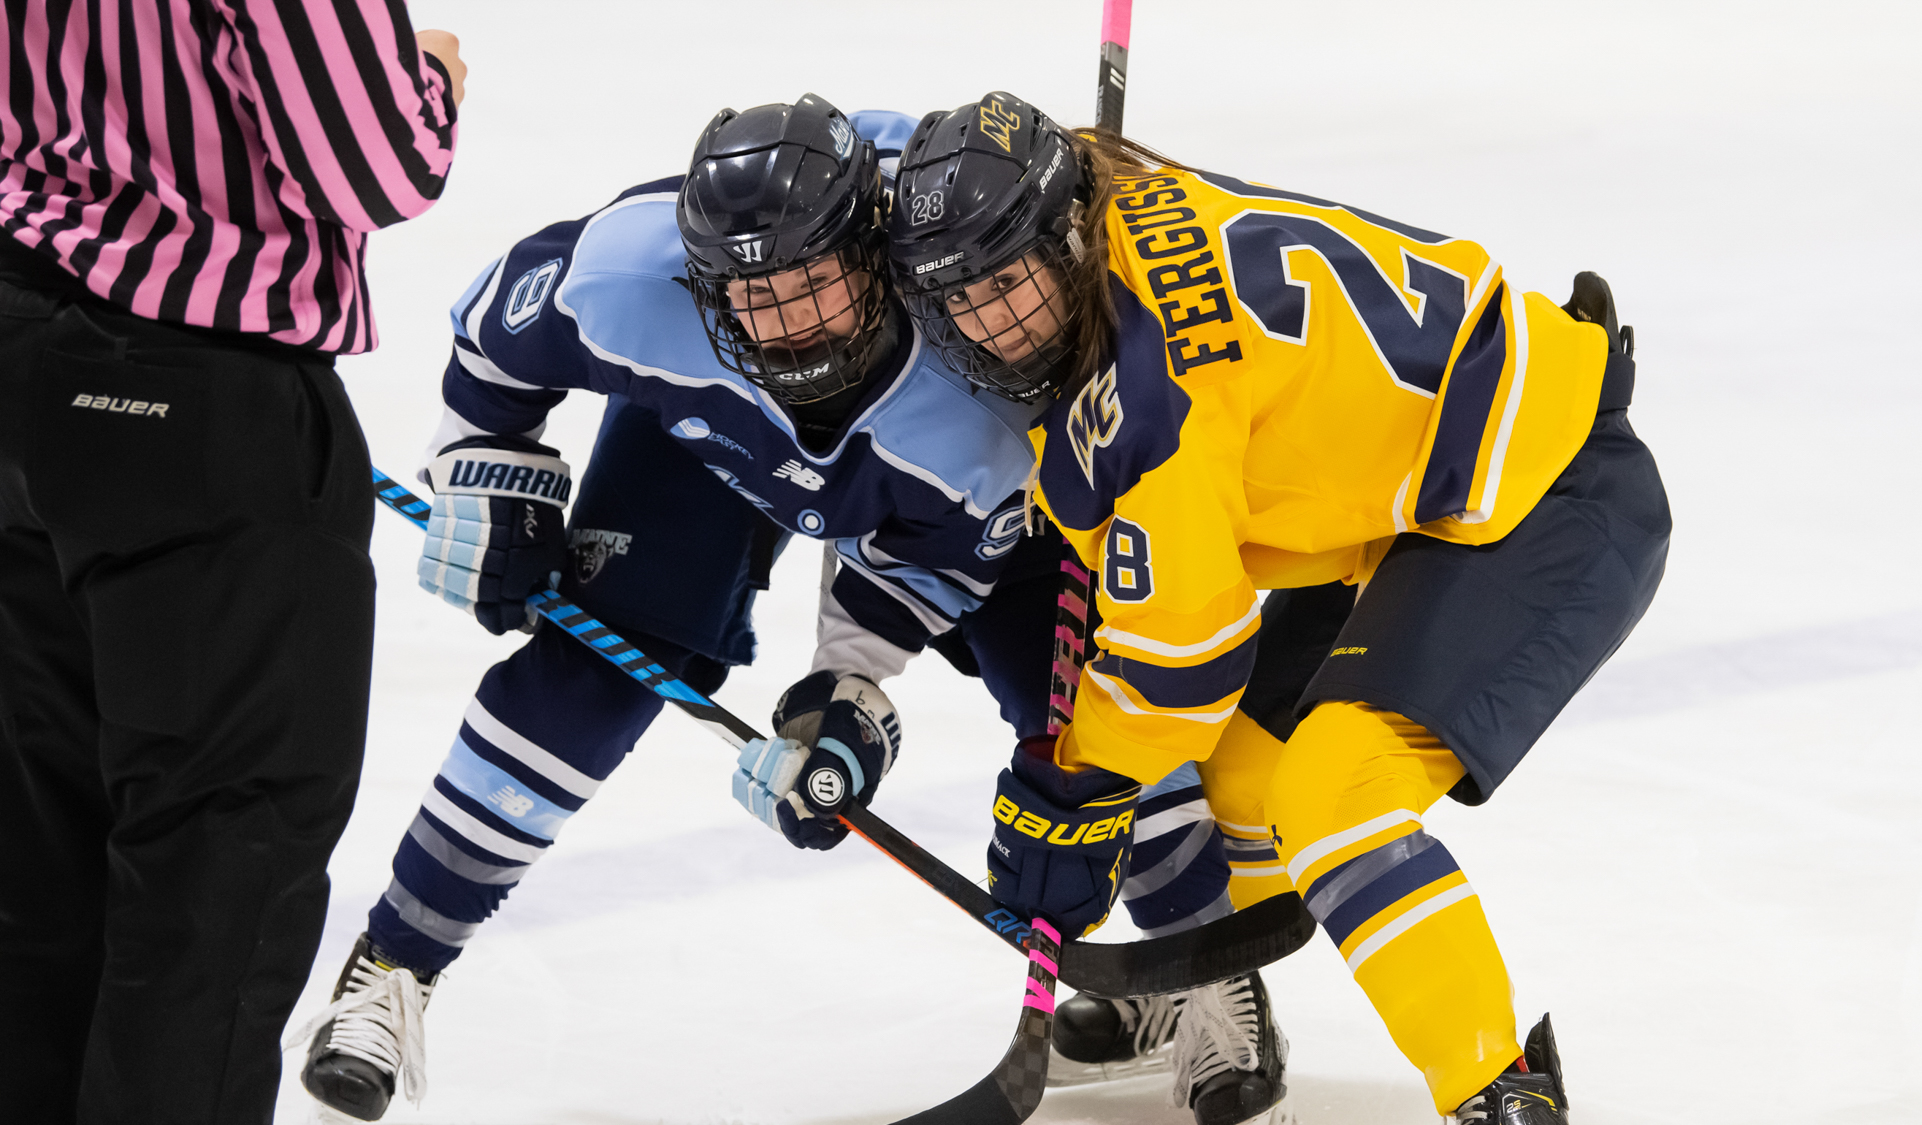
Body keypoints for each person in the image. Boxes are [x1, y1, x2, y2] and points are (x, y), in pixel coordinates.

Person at [289, 94, 1254, 1120]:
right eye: (751, 292)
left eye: (811, 285)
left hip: (963, 507)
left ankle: (1209, 979)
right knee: (598, 660)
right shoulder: (629, 277)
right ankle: (392, 966)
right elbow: (495, 342)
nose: (787, 322)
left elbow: (918, 570)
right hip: (712, 440)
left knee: (1085, 718)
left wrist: (843, 699)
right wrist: (483, 470)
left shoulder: (978, 408)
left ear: (871, 259)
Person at [884, 92, 1672, 1125]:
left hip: (1545, 488)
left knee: (1335, 795)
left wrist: (1075, 785)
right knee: (1240, 780)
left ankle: (1498, 1090)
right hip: (1429, 486)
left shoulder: (1149, 388)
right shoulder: (1094, 183)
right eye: (958, 298)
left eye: (1006, 281)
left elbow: (1184, 660)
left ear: (1066, 231)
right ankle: (1181, 976)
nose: (989, 322)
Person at [0, 5, 465, 1123]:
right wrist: (430, 81)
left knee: (36, 872)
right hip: (198, 401)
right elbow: (370, 165)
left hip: (16, 360)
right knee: (214, 880)